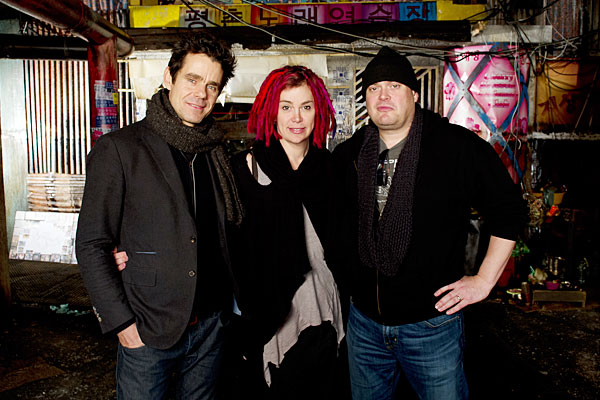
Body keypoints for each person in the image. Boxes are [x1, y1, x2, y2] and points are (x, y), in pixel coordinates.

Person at [328, 46, 528, 399]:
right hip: (365, 327)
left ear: (414, 94)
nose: (383, 95)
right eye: (374, 88)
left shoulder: (455, 147)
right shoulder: (350, 154)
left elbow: (509, 209)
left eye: (394, 85)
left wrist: (484, 281)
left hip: (431, 325)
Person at [75, 31, 242, 399]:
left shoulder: (215, 152)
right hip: (148, 330)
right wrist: (122, 324)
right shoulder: (120, 149)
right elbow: (91, 244)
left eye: (212, 86)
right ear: (169, 77)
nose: (201, 94)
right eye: (192, 79)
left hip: (211, 327)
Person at [229, 65, 346, 400]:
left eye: (306, 107)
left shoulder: (330, 169)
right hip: (265, 316)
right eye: (286, 106)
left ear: (319, 111)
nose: (297, 117)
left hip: (324, 311)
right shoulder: (244, 169)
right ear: (271, 111)